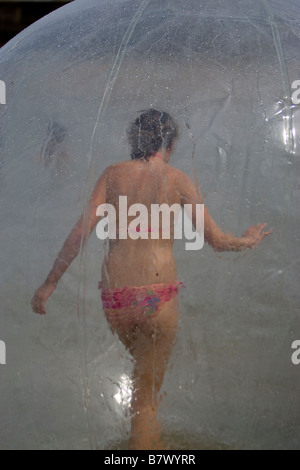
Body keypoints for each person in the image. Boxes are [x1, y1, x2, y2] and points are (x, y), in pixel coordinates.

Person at [31, 109, 272, 450]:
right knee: (145, 399)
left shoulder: (112, 175)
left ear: (135, 141)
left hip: (115, 300)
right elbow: (217, 241)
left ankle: (146, 440)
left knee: (142, 379)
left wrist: (50, 283)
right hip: (156, 297)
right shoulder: (177, 180)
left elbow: (80, 232)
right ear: (169, 143)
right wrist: (247, 240)